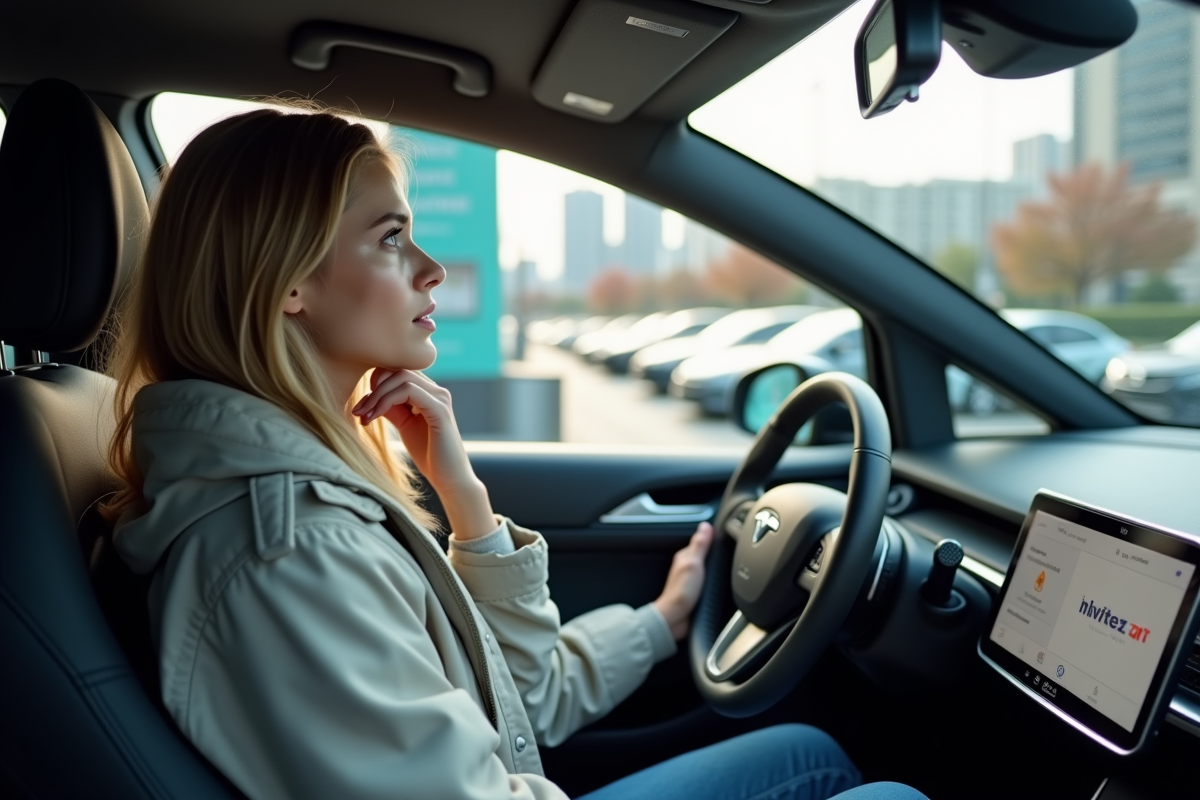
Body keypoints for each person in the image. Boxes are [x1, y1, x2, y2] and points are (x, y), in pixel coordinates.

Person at [105, 106, 927, 800]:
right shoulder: (289, 551)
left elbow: (518, 703)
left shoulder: (311, 503)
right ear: (289, 281)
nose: (432, 269)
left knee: (808, 754)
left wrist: (467, 505)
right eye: (391, 239)